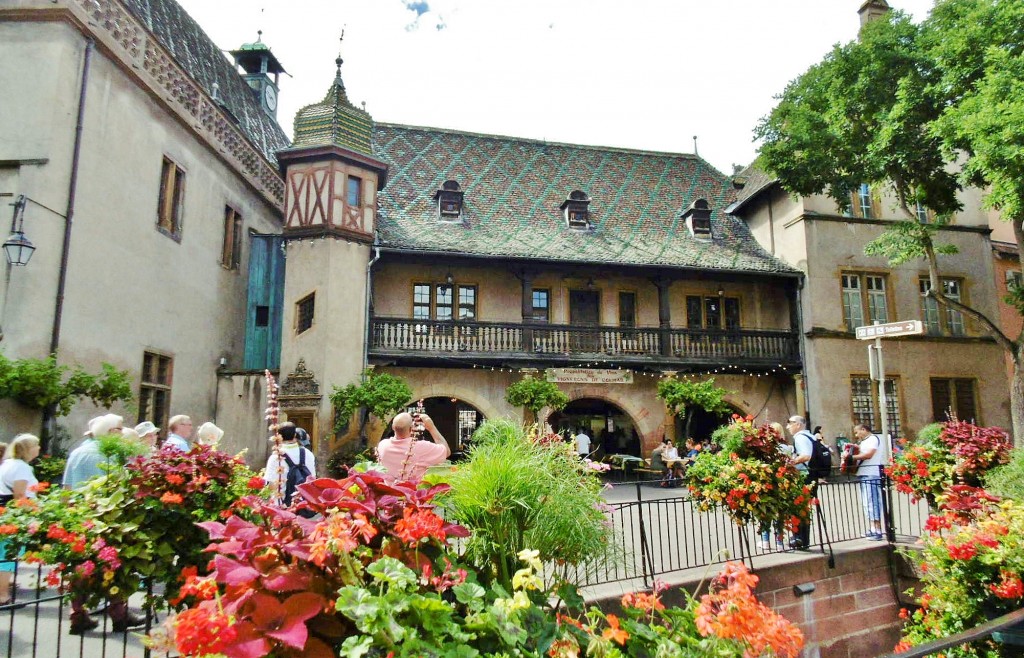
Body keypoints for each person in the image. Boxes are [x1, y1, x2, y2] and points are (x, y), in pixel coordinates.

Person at [0, 434, 38, 604]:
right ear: (28, 449)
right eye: (36, 445)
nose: (39, 448)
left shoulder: (7, 463)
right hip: (12, 513)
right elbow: (20, 494)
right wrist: (31, 513)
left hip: (4, 508)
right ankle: (2, 595)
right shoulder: (22, 467)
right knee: (7, 555)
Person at [376, 412, 450, 483]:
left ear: (392, 427)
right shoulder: (421, 447)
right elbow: (446, 451)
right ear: (411, 429)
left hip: (387, 493)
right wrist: (431, 427)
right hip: (412, 493)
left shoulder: (382, 445)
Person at [63, 414, 123, 490]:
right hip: (101, 500)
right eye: (121, 429)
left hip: (76, 500)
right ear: (113, 431)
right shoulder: (112, 454)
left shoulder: (76, 453)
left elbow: (67, 487)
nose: (122, 434)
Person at [263, 423, 317, 505]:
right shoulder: (308, 453)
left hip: (282, 506)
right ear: (295, 435)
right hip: (305, 505)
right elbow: (312, 479)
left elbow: (271, 485)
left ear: (278, 436)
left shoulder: (275, 457)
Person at [851, 423, 885, 540]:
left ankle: (877, 529)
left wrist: (851, 457)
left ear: (864, 429)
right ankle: (872, 528)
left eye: (857, 432)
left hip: (871, 473)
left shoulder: (873, 439)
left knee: (872, 501)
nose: (856, 435)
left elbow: (869, 455)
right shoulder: (864, 441)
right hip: (864, 473)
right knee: (867, 501)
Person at [786, 415, 815, 549]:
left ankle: (800, 539)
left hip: (803, 476)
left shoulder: (800, 437)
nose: (787, 426)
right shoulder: (810, 436)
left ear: (798, 424)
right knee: (803, 509)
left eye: (790, 423)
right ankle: (802, 540)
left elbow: (806, 455)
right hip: (810, 475)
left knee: (798, 508)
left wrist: (791, 462)